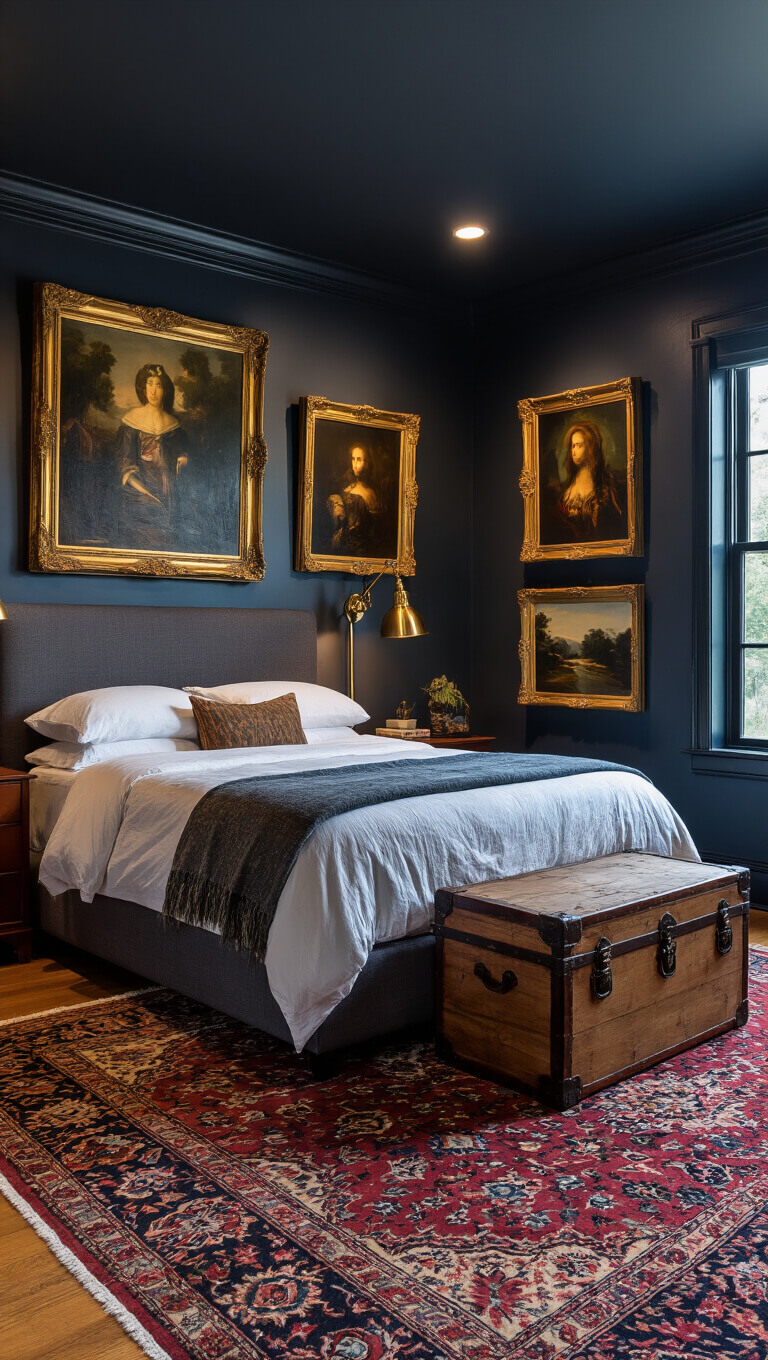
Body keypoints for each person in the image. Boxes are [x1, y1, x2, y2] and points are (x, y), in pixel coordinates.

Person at [113, 363, 191, 550]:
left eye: (158, 385)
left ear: (165, 389)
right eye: (149, 383)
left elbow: (184, 453)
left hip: (168, 491)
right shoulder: (131, 421)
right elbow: (124, 462)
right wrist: (142, 490)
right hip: (138, 491)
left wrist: (183, 460)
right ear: (142, 387)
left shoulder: (174, 426)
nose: (153, 390)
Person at [548, 419, 625, 543]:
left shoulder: (606, 485)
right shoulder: (567, 486)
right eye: (572, 446)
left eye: (579, 445)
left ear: (591, 447)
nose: (574, 451)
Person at [325, 441, 385, 556]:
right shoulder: (345, 490)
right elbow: (338, 526)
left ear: (367, 462)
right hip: (345, 551)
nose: (355, 465)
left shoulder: (373, 493)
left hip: (365, 552)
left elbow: (376, 533)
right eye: (353, 459)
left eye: (359, 459)